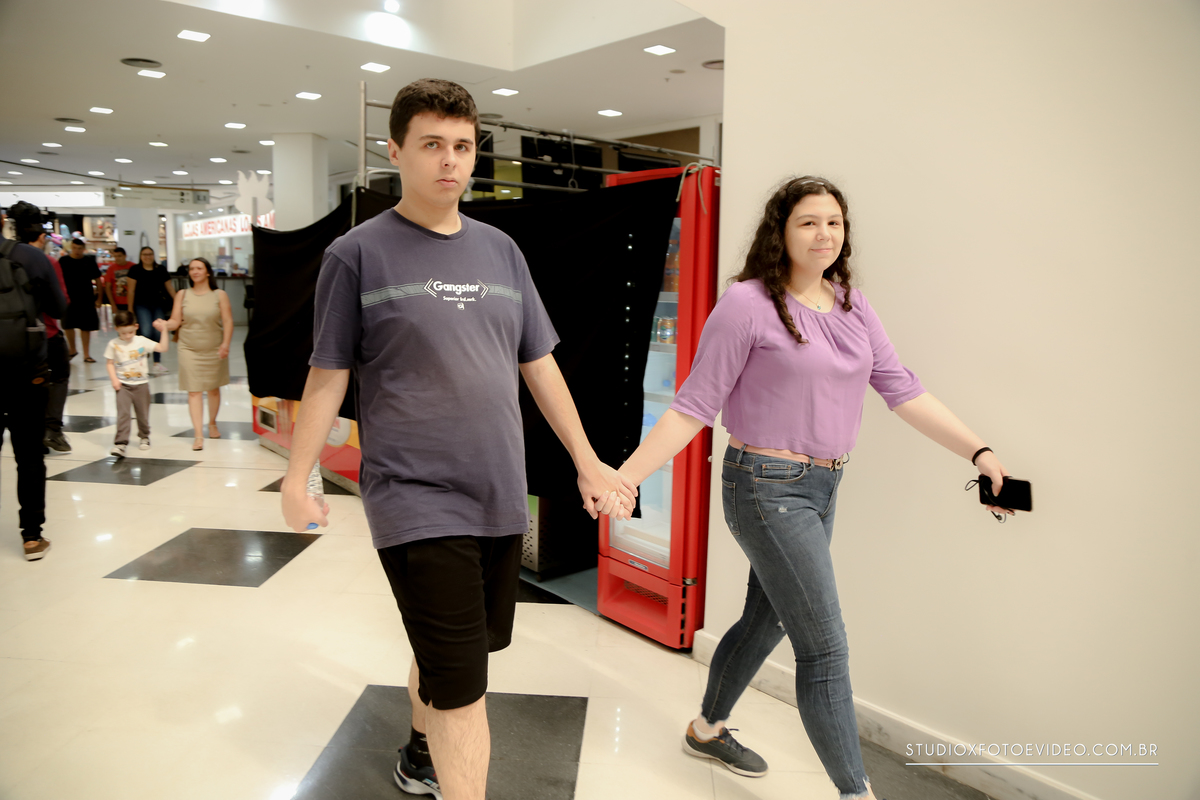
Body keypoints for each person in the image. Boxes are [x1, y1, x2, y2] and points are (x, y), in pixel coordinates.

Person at [279, 78, 634, 800]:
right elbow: (328, 374)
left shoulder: (502, 251)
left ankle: (419, 752)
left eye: (463, 146)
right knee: (466, 688)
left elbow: (539, 363)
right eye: (432, 144)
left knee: (455, 656)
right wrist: (298, 475)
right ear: (396, 151)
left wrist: (587, 460)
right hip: (413, 496)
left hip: (498, 491)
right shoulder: (356, 254)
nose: (449, 160)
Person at [616, 176, 1015, 800]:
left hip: (824, 485)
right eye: (808, 221)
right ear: (780, 231)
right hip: (765, 487)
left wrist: (979, 451)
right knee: (825, 649)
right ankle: (857, 793)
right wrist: (627, 478)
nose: (823, 233)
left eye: (834, 222)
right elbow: (694, 405)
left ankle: (706, 729)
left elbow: (903, 389)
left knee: (766, 620)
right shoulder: (747, 304)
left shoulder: (852, 303)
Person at [1, 203, 68, 560]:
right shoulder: (31, 257)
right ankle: (31, 537)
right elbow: (59, 308)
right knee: (28, 455)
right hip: (27, 370)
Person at [10, 206, 73, 454]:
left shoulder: (6, 257)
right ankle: (52, 429)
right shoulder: (45, 261)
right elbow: (60, 304)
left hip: (11, 337)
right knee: (59, 375)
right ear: (41, 234)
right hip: (45, 333)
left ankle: (30, 433)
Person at [155, 257, 232, 450]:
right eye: (191, 269)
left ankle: (212, 423)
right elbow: (175, 321)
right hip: (188, 348)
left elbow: (228, 321)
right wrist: (165, 325)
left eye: (199, 268)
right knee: (194, 390)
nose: (195, 272)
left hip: (214, 347)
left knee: (213, 389)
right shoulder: (182, 294)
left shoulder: (219, 295)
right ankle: (198, 435)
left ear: (207, 272)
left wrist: (225, 344)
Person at [105, 309, 169, 458]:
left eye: (130, 332)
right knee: (123, 414)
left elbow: (163, 348)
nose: (127, 336)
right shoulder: (113, 344)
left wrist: (164, 331)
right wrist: (114, 379)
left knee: (142, 414)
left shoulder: (142, 341)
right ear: (116, 329)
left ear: (136, 326)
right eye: (123, 333)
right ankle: (120, 443)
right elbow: (109, 363)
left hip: (141, 385)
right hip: (123, 386)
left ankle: (144, 436)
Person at [126, 246, 175, 375]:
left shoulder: (160, 270)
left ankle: (157, 363)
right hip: (141, 305)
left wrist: (178, 302)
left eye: (150, 254)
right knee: (146, 331)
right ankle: (141, 361)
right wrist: (130, 309)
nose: (147, 257)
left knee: (158, 332)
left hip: (158, 305)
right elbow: (131, 291)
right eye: (144, 254)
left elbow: (169, 288)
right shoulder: (135, 270)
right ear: (140, 256)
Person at [57, 237, 100, 361]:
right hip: (68, 298)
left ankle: (86, 354)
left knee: (86, 326)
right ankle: (72, 349)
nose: (77, 251)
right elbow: (58, 278)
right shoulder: (63, 261)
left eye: (79, 248)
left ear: (83, 249)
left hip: (86, 298)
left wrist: (99, 298)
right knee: (68, 324)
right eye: (75, 248)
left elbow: (97, 279)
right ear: (71, 247)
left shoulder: (89, 261)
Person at [101, 246, 133, 314]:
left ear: (125, 256)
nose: (117, 258)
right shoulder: (111, 269)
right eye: (115, 256)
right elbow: (108, 288)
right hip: (118, 302)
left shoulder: (133, 267)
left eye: (119, 256)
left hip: (133, 301)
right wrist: (112, 304)